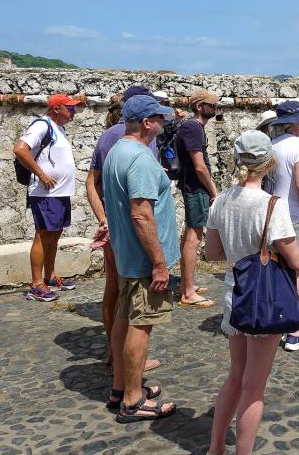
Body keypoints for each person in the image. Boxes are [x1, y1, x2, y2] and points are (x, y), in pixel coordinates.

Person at [204, 130, 299, 455]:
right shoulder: (271, 205)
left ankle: (215, 447)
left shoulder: (220, 201)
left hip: (234, 296)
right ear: (269, 163)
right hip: (263, 301)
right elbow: (295, 259)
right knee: (254, 387)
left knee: (235, 376)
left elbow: (213, 253)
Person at [103, 95, 180, 422]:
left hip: (127, 256)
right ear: (147, 122)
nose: (164, 124)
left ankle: (121, 388)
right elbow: (141, 214)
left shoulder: (117, 152)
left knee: (124, 319)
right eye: (160, 119)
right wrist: (159, 264)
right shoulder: (140, 159)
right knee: (141, 324)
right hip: (143, 260)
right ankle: (133, 401)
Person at [85, 85, 162, 372]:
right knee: (137, 305)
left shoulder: (108, 138)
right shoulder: (138, 143)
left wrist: (103, 218)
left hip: (114, 223)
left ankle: (114, 355)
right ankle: (131, 368)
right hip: (133, 231)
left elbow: (90, 183)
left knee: (113, 289)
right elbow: (141, 202)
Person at [13, 94, 81, 302]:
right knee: (43, 235)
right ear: (56, 108)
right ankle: (36, 284)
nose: (73, 112)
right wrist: (41, 174)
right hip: (45, 192)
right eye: (69, 108)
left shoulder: (58, 129)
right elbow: (20, 149)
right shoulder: (42, 126)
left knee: (55, 233)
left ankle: (50, 276)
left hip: (59, 191)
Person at [270, 100, 299, 351]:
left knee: (276, 271)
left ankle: (275, 323)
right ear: (298, 122)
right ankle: (294, 331)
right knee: (295, 271)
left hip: (271, 214)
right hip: (294, 216)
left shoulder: (270, 146)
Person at [175, 88, 221, 308]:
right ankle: (188, 292)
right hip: (196, 188)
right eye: (212, 105)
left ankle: (187, 286)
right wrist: (213, 191)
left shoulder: (192, 127)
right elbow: (200, 166)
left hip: (192, 186)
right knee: (194, 238)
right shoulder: (193, 128)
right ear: (200, 107)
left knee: (189, 236)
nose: (216, 108)